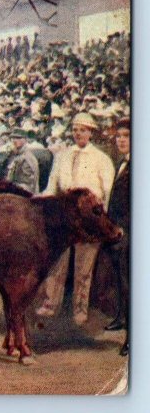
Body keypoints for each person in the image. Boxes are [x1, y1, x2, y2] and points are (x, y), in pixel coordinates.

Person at [35, 112, 115, 325]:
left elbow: (107, 193)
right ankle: (50, 303)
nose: (78, 133)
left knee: (84, 268)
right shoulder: (62, 155)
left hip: (89, 221)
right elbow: (52, 186)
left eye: (83, 130)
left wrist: (100, 222)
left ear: (91, 132)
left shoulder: (101, 159)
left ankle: (80, 310)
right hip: (64, 219)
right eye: (75, 129)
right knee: (56, 263)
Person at [103, 117, 129, 356]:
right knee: (121, 279)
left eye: (126, 136)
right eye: (119, 136)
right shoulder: (122, 162)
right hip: (118, 230)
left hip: (129, 232)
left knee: (132, 283)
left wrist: (125, 229)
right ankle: (122, 317)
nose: (121, 140)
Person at [5, 129, 40, 194]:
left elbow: (30, 183)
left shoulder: (28, 157)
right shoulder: (15, 155)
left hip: (25, 193)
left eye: (18, 138)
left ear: (25, 140)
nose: (14, 140)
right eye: (13, 138)